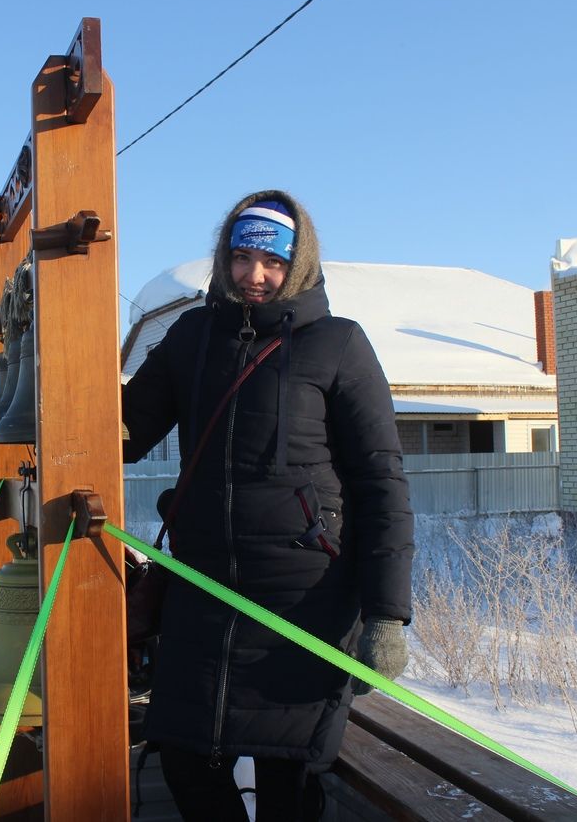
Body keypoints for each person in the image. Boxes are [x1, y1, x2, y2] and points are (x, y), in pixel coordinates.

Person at [121, 190, 414, 821]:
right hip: (202, 600)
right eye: (243, 256)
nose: (255, 274)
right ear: (224, 257)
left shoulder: (339, 345)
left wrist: (387, 615)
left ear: (298, 264)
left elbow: (383, 483)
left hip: (303, 610)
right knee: (182, 758)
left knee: (290, 788)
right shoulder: (192, 337)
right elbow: (124, 429)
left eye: (272, 261)